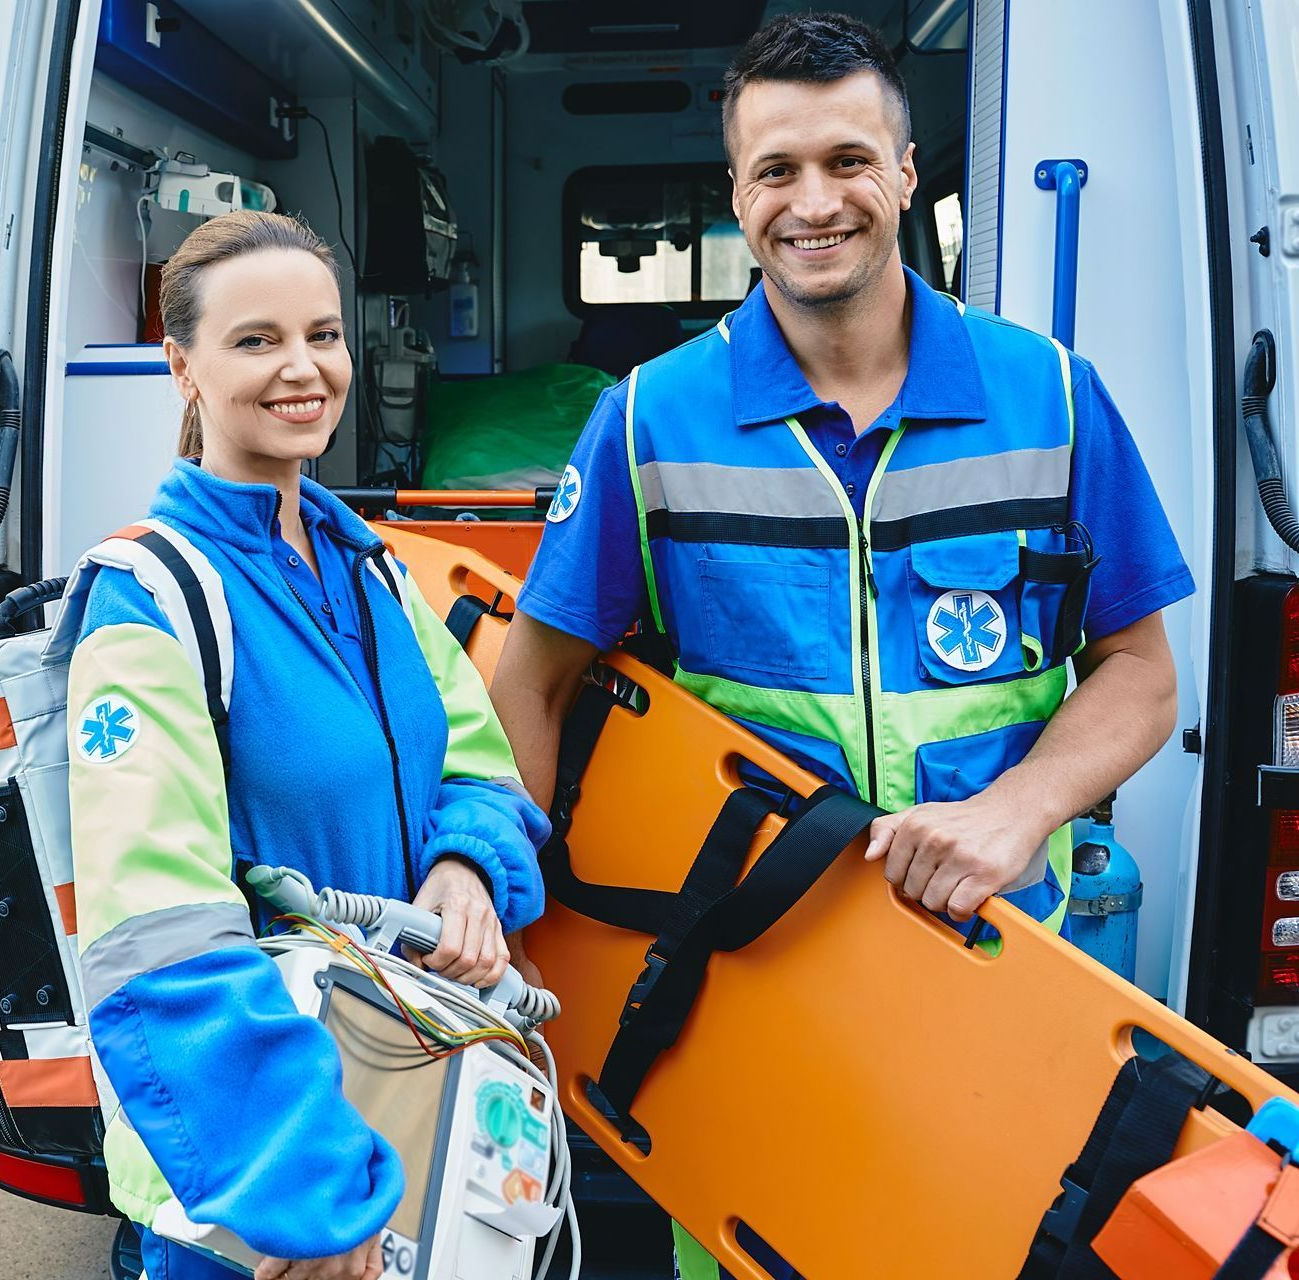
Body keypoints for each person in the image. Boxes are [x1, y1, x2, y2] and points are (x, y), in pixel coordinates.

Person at [490, 13, 1192, 1278]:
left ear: (908, 173)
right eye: (775, 170)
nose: (813, 201)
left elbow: (1140, 672)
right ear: (737, 195)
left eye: (847, 160)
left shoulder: (1057, 396)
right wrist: (504, 914)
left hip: (999, 960)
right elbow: (529, 681)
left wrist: (1018, 808)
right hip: (744, 976)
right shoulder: (645, 419)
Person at [67, 210, 549, 1280]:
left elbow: (477, 758)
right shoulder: (153, 600)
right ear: (181, 365)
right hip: (256, 1186)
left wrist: (467, 864)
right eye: (256, 340)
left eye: (322, 335)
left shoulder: (365, 564)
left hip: (394, 1094)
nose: (304, 369)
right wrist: (306, 1197)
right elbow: (159, 936)